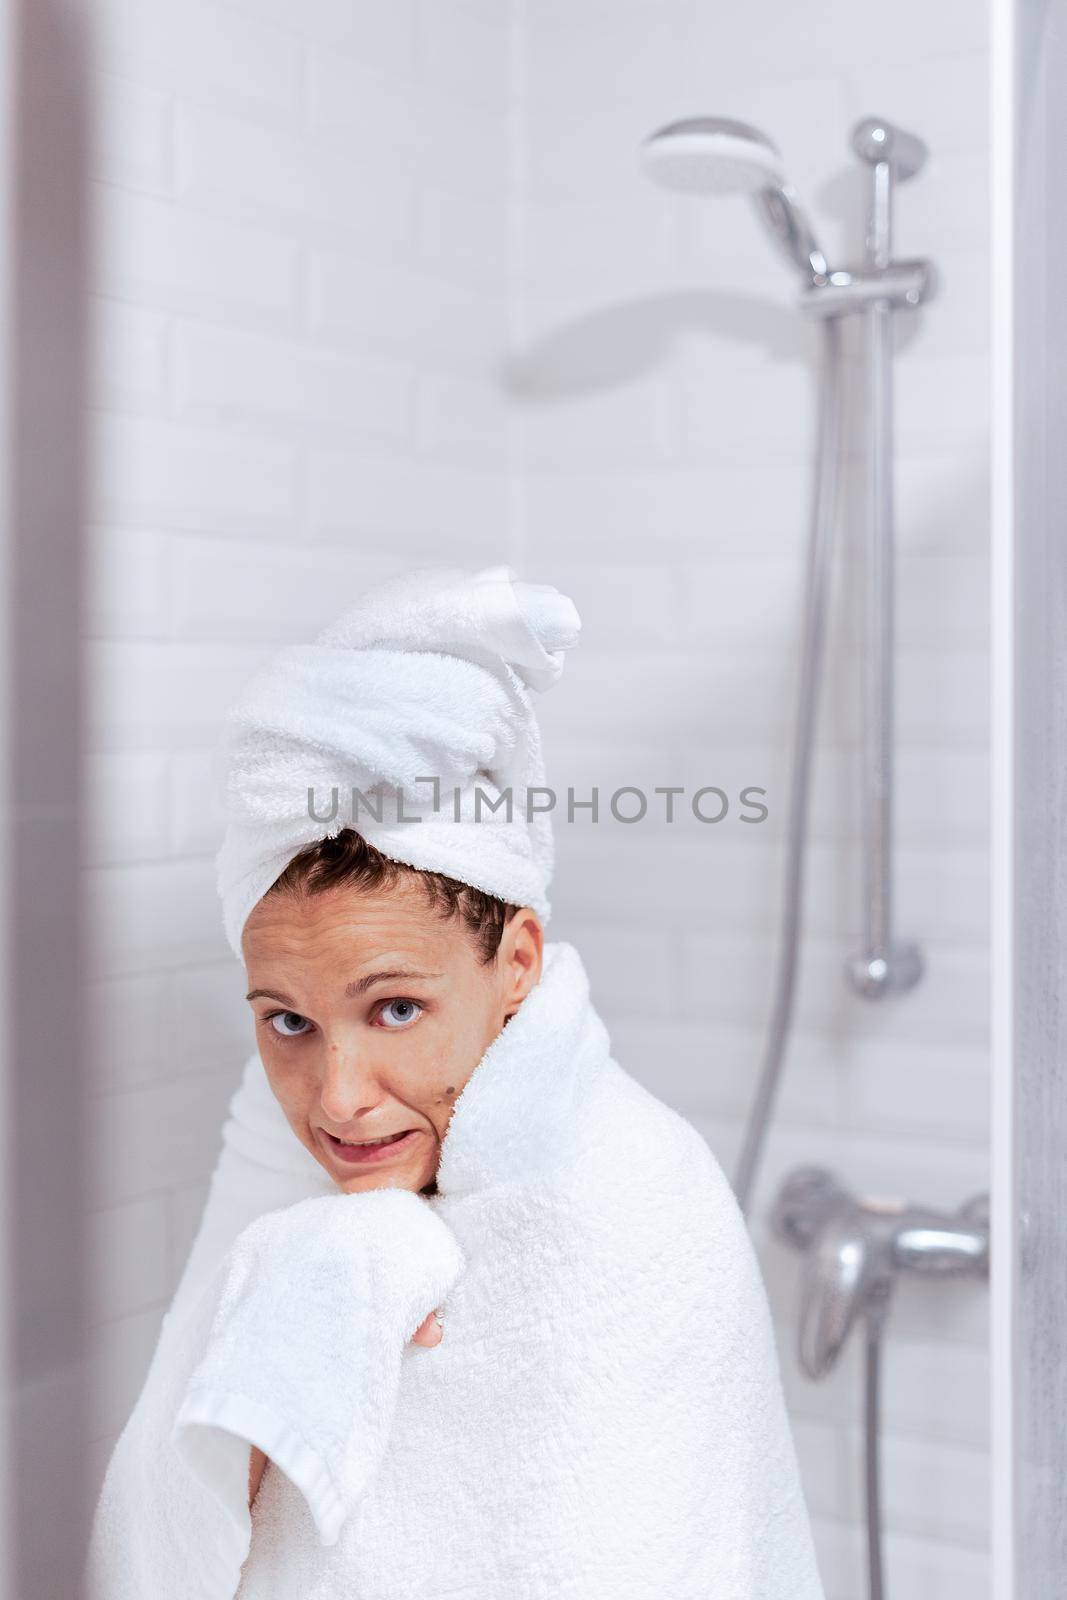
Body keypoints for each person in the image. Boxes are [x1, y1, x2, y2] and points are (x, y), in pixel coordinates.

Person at [85, 564, 825, 1599]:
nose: (338, 1096)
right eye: (289, 1020)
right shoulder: (277, 1170)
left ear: (515, 960)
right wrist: (290, 1309)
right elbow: (157, 1546)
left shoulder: (634, 1195)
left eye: (395, 1008)